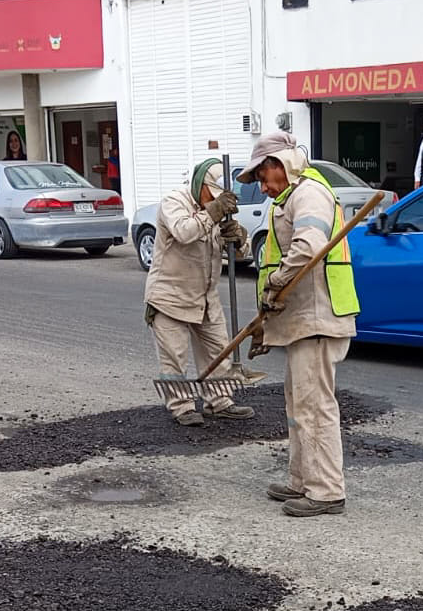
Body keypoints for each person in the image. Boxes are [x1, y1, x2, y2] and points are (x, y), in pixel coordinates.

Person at [237, 131, 358, 518]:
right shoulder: (288, 198)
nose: (261, 186)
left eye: (261, 176)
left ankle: (325, 492)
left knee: (315, 406)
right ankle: (301, 479)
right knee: (297, 405)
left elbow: (306, 248)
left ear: (279, 165)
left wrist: (275, 282)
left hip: (319, 318)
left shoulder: (309, 193)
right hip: (301, 318)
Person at [143, 159, 256, 427]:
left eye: (218, 200)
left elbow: (241, 253)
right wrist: (214, 212)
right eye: (211, 196)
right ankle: (181, 407)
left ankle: (219, 402)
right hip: (169, 297)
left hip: (205, 296)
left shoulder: (216, 212)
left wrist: (238, 239)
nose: (213, 201)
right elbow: (184, 231)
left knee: (218, 350)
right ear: (199, 184)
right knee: (175, 357)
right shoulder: (174, 201)